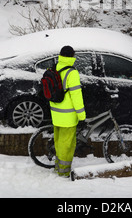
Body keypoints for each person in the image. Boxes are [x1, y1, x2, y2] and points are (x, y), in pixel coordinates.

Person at [50, 45, 86, 177]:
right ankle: (63, 172)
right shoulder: (72, 72)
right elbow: (76, 96)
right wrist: (81, 116)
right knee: (67, 144)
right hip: (68, 116)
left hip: (56, 113)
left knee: (59, 142)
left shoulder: (56, 67)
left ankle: (57, 167)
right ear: (72, 56)